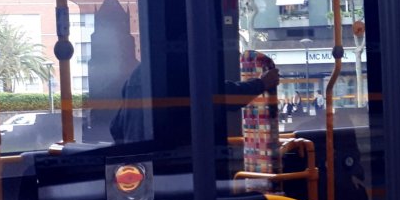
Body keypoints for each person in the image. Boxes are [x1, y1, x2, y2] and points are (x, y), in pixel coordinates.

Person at [110, 63, 280, 143]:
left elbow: (116, 127)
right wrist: (262, 83)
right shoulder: (180, 69)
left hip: (140, 163)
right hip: (173, 164)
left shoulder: (137, 73)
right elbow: (225, 95)